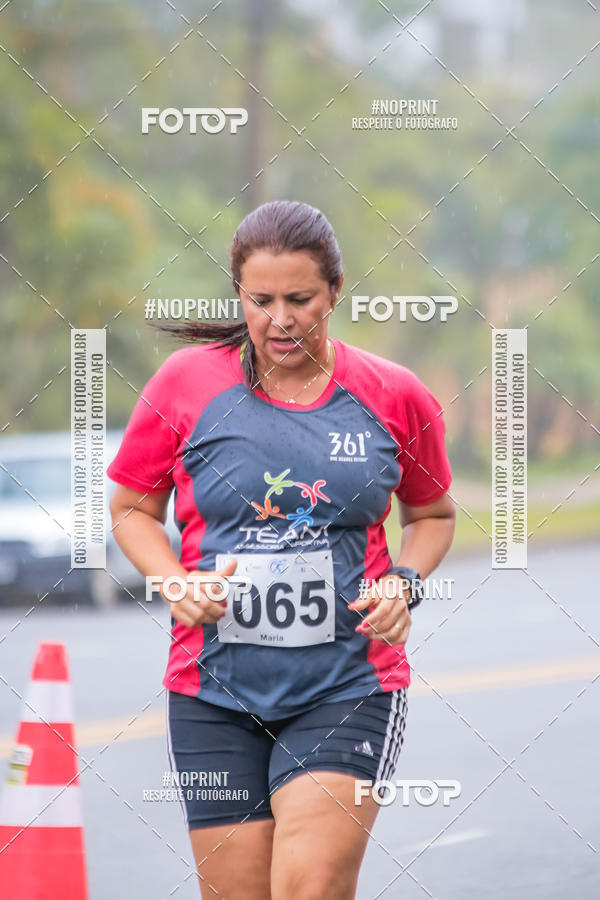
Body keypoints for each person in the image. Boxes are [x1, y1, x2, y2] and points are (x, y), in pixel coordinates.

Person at [108, 200, 455, 900]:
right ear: (238, 293)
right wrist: (173, 580)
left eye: (300, 300)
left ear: (335, 290)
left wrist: (404, 581)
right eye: (260, 301)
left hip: (348, 684)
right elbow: (131, 509)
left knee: (310, 887)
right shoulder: (185, 383)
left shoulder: (393, 395)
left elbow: (433, 514)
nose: (280, 320)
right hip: (213, 691)